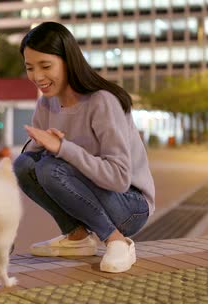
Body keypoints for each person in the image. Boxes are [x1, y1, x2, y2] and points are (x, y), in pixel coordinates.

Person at [13, 22, 155, 273]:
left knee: (50, 168)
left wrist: (63, 148)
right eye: (30, 68)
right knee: (23, 165)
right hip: (94, 195)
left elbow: (120, 178)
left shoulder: (102, 102)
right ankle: (77, 237)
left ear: (68, 61)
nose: (37, 77)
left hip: (130, 205)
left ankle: (117, 240)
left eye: (45, 66)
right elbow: (31, 161)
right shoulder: (47, 105)